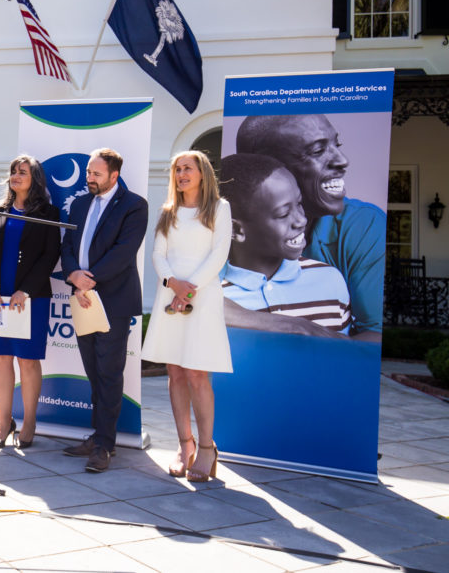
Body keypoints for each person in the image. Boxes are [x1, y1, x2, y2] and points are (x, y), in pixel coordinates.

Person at [235, 114, 383, 341]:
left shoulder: (362, 227)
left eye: (337, 144)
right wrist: (292, 327)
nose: (342, 160)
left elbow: (374, 334)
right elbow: (193, 300)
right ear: (267, 166)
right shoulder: (225, 231)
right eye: (317, 151)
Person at [142, 151, 232, 482]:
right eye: (177, 169)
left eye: (187, 169)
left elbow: (218, 254)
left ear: (202, 173)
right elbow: (157, 254)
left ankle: (207, 449)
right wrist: (172, 284)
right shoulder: (169, 212)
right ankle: (184, 445)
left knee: (196, 373)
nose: (181, 174)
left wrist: (189, 290)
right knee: (175, 371)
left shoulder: (219, 209)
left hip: (203, 298)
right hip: (171, 296)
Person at [59, 148, 148, 472]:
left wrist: (87, 281)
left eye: (96, 174)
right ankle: (97, 435)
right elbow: (67, 245)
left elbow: (124, 253)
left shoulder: (135, 205)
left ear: (114, 175)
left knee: (109, 373)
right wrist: (72, 275)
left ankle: (105, 446)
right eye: (87, 173)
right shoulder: (80, 203)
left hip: (113, 300)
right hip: (82, 297)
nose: (89, 179)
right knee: (94, 372)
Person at [0, 155, 61, 450]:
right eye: (13, 171)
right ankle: (3, 423)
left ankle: (29, 423)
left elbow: (50, 255)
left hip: (31, 298)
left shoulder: (49, 212)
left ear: (35, 178)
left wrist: (25, 290)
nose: (15, 175)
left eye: (22, 172)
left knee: (27, 360)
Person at [219, 153, 351, 335]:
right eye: (283, 214)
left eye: (299, 204)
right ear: (236, 230)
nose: (301, 220)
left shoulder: (330, 280)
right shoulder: (207, 295)